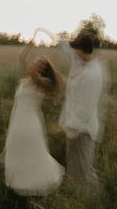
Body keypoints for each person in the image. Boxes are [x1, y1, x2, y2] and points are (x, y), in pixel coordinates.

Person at [35, 28, 106, 193]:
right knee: (74, 166)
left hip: (83, 128)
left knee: (83, 168)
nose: (74, 51)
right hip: (73, 125)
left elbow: (85, 108)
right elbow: (65, 48)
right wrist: (46, 31)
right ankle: (78, 194)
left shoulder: (93, 74)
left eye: (76, 49)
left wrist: (72, 128)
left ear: (82, 50)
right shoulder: (80, 59)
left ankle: (92, 197)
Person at [3, 42, 64, 196]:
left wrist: (34, 65)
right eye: (37, 60)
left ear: (45, 69)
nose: (37, 63)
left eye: (42, 63)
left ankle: (37, 183)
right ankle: (18, 182)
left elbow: (32, 72)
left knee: (31, 152)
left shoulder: (43, 82)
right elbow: (21, 57)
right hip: (17, 120)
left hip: (30, 122)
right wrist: (29, 44)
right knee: (16, 149)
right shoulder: (27, 79)